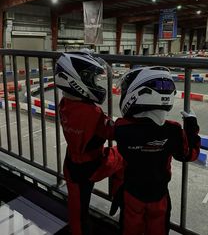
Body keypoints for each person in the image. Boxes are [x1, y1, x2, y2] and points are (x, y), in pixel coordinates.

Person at [113, 66, 200, 235]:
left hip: (132, 193)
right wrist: (192, 127)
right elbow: (190, 154)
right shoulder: (174, 131)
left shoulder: (122, 128)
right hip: (159, 196)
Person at [55, 50, 123, 235]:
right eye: (90, 79)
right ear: (77, 81)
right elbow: (113, 132)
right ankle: (120, 197)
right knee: (124, 155)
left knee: (77, 212)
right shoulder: (93, 113)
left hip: (71, 166)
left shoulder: (64, 104)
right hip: (93, 166)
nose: (94, 83)